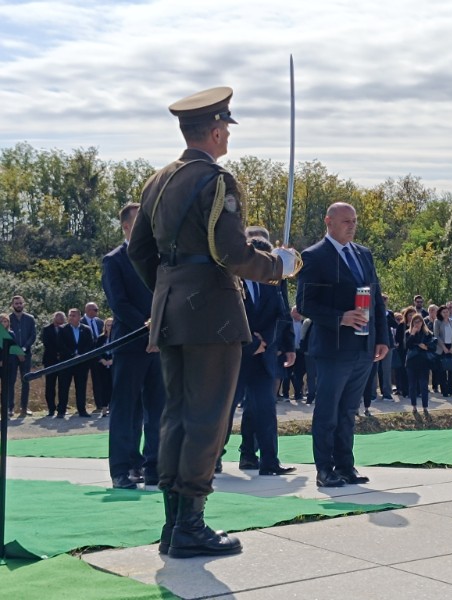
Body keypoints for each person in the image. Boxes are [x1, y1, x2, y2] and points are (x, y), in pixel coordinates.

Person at [127, 86, 294, 558]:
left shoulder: (157, 181)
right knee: (208, 421)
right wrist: (279, 264)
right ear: (217, 130)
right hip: (214, 316)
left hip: (171, 311)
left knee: (176, 417)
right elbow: (232, 254)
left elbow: (141, 252)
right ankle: (191, 527)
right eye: (227, 130)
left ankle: (172, 524)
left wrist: (170, 289)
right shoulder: (216, 181)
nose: (228, 138)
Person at [296, 202, 389, 488]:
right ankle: (325, 469)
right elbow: (304, 304)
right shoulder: (314, 256)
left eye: (354, 221)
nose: (352, 225)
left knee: (349, 411)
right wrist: (339, 318)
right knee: (328, 410)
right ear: (329, 222)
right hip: (333, 347)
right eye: (346, 221)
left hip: (364, 346)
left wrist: (383, 338)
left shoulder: (363, 254)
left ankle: (345, 466)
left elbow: (376, 298)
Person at [102, 202, 166, 490]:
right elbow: (119, 304)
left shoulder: (160, 258)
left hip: (160, 344)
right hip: (130, 343)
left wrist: (161, 331)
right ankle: (122, 468)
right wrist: (147, 329)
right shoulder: (113, 260)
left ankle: (154, 466)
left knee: (158, 408)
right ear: (127, 227)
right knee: (126, 409)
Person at [226, 228, 296, 476]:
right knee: (226, 410)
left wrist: (280, 344)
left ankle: (269, 461)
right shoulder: (231, 278)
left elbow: (281, 313)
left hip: (265, 356)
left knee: (266, 408)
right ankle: (211, 459)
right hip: (236, 356)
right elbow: (227, 315)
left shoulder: (272, 284)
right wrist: (251, 343)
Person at [56, 308, 94, 418]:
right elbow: (60, 345)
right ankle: (61, 410)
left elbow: (90, 344)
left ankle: (82, 410)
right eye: (70, 315)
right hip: (67, 362)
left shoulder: (86, 329)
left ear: (79, 317)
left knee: (81, 387)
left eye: (73, 315)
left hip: (82, 363)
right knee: (63, 387)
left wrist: (81, 355)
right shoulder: (63, 329)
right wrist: (73, 355)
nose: (71, 317)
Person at [9, 295, 35, 416]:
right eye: (16, 303)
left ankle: (24, 408)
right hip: (11, 355)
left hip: (26, 354)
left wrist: (23, 349)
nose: (18, 305)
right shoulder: (7, 319)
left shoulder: (30, 319)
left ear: (23, 304)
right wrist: (17, 351)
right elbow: (6, 337)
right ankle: (10, 408)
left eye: (20, 303)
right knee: (11, 381)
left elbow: (32, 336)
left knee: (26, 380)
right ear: (12, 305)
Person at [405, 314, 435, 415]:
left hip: (424, 362)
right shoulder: (408, 333)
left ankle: (425, 407)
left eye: (419, 321)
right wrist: (413, 334)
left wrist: (424, 346)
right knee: (412, 386)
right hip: (412, 362)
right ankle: (414, 406)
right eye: (415, 322)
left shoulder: (428, 334)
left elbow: (431, 346)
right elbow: (407, 345)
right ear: (412, 323)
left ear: (423, 322)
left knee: (423, 386)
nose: (418, 324)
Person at [41, 311, 66, 416]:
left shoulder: (66, 329)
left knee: (63, 385)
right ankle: (51, 408)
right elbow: (46, 343)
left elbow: (67, 342)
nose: (60, 319)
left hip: (63, 360)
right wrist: (56, 353)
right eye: (58, 317)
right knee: (50, 385)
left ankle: (62, 408)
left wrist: (62, 353)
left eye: (62, 317)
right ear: (54, 318)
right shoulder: (46, 329)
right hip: (50, 360)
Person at [82, 301, 105, 411]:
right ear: (87, 310)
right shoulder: (81, 322)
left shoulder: (100, 322)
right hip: (85, 356)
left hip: (98, 355)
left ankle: (100, 404)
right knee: (82, 381)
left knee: (98, 380)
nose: (97, 312)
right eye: (95, 310)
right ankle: (81, 406)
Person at [433, 305, 452, 396]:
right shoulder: (437, 322)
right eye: (444, 312)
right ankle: (444, 389)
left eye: (447, 312)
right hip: (442, 348)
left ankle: (450, 387)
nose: (446, 313)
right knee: (442, 370)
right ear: (440, 313)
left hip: (451, 347)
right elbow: (436, 335)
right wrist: (443, 347)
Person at [94, 317, 114, 418]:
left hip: (114, 366)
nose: (110, 327)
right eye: (108, 325)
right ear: (105, 326)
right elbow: (97, 351)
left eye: (111, 325)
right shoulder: (101, 338)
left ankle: (113, 408)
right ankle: (104, 409)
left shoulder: (117, 337)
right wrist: (102, 360)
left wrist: (112, 361)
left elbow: (120, 351)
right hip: (102, 366)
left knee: (114, 387)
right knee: (104, 387)